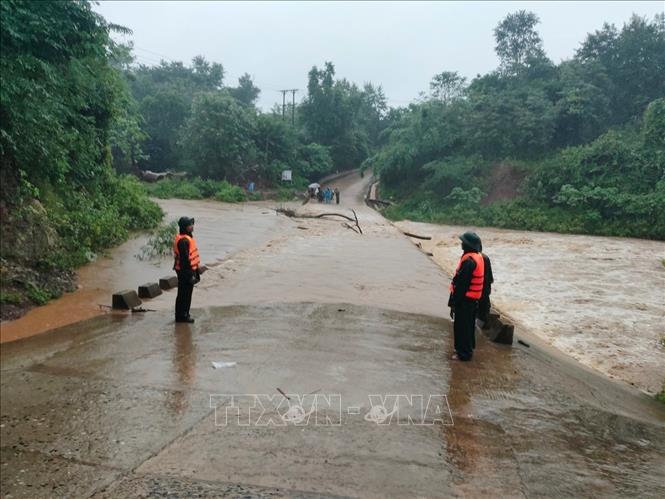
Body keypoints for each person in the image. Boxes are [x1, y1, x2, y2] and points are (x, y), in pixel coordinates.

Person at [448, 231, 484, 361]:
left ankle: (463, 354)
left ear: (468, 245)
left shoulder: (469, 262)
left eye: (463, 242)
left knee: (462, 327)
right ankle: (466, 350)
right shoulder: (477, 257)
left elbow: (462, 286)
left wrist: (454, 302)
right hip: (471, 300)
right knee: (467, 327)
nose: (461, 244)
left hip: (465, 300)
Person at [173, 216, 201, 323]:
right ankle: (182, 316)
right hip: (185, 271)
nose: (192, 226)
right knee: (184, 294)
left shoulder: (185, 238)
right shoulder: (183, 241)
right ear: (185, 227)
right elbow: (185, 261)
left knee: (184, 294)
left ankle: (183, 314)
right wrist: (190, 276)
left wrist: (196, 272)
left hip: (186, 270)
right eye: (190, 225)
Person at [477, 243, 494, 326]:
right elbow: (490, 278)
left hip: (479, 290)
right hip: (483, 290)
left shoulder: (477, 258)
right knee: (483, 310)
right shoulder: (484, 257)